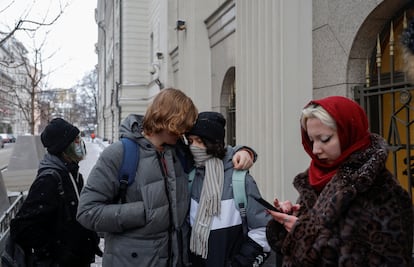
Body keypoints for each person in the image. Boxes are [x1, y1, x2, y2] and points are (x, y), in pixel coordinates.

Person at [76, 88, 255, 267]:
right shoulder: (120, 154)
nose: (183, 132)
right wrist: (143, 212)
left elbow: (213, 152)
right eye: (182, 125)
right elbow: (87, 212)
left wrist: (244, 152)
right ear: (169, 120)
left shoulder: (178, 152)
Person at [265, 96, 413, 266]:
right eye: (312, 140)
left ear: (348, 132)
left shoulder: (384, 192)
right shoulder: (316, 180)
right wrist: (289, 221)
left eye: (325, 139)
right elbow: (294, 251)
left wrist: (302, 234)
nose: (315, 150)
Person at [9, 118, 102, 267]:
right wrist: (57, 254)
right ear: (63, 147)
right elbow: (22, 227)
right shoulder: (50, 180)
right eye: (75, 140)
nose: (80, 143)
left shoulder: (73, 173)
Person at [186, 112, 271, 266]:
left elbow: (262, 229)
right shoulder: (191, 176)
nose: (193, 147)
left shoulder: (239, 179)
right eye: (190, 141)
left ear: (214, 142)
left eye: (199, 141)